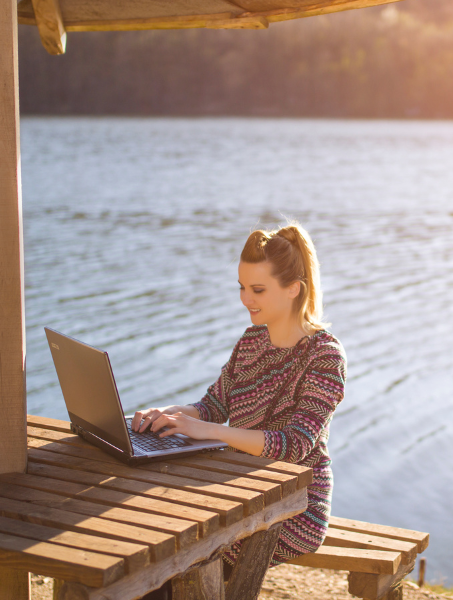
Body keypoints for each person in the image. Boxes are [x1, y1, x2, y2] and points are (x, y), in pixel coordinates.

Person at [131, 222, 346, 572]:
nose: (246, 299)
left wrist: (210, 432)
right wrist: (169, 414)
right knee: (152, 527)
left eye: (258, 290)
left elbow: (294, 445)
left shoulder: (324, 356)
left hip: (295, 506)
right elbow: (214, 406)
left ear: (293, 289)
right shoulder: (250, 342)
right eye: (242, 287)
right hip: (238, 487)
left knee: (183, 553)